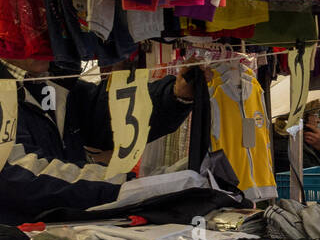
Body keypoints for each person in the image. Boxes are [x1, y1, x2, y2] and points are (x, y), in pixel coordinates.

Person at [0, 57, 197, 224]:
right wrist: (126, 185)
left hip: (63, 227)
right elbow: (17, 175)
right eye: (31, 24)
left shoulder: (55, 80)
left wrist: (174, 95)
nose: (45, 36)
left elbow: (108, 117)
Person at [273, 100, 320, 172]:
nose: (318, 120)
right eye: (315, 115)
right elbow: (317, 174)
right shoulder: (286, 146)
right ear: (302, 117)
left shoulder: (306, 140)